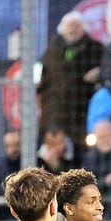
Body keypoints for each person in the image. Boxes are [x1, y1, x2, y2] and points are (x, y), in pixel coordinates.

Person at [38, 11, 104, 146]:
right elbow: (41, 74)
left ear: (84, 28)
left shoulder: (96, 49)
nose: (73, 30)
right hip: (54, 113)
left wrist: (99, 73)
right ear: (62, 29)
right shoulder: (51, 50)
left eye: (76, 26)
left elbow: (106, 71)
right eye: (69, 26)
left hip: (81, 111)